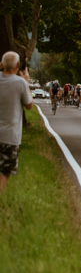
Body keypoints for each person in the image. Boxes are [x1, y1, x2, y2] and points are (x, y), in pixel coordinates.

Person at [0, 51, 34, 195]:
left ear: (1, 64)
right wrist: (26, 81)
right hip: (10, 136)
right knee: (5, 171)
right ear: (18, 65)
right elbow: (29, 105)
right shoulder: (20, 83)